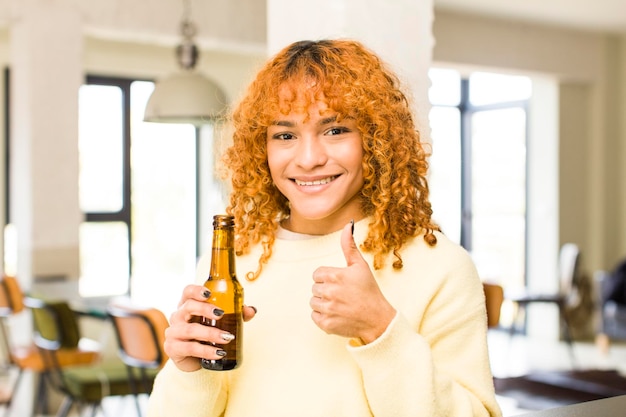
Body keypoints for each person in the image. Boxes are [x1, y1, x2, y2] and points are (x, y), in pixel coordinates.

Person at [147, 39, 502, 417]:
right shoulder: (232, 260)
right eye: (285, 135)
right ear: (260, 149)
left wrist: (381, 330)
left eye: (335, 131)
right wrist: (188, 370)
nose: (310, 159)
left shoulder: (441, 267)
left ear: (376, 141)